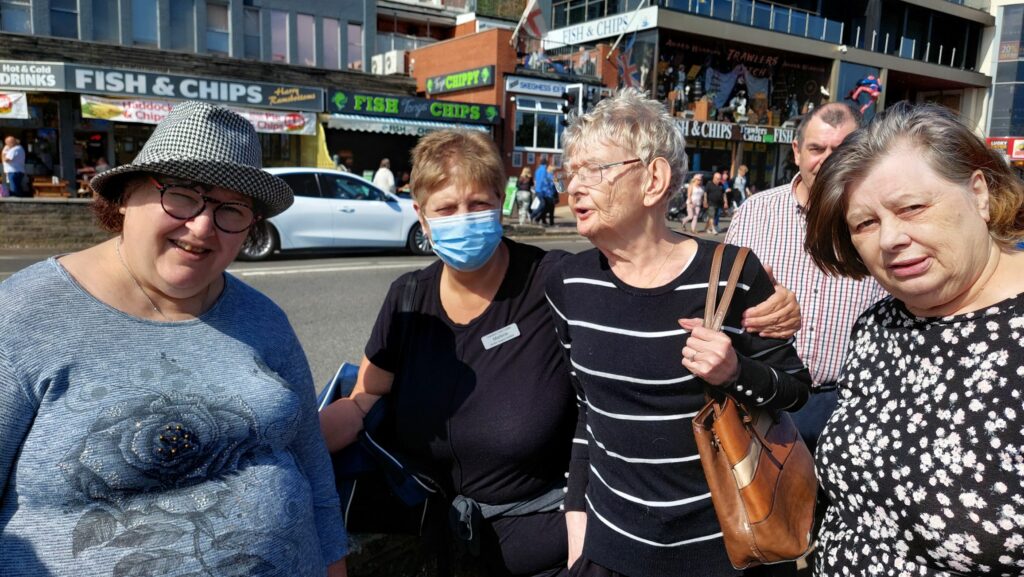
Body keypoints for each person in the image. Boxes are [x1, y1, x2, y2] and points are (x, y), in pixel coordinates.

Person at [319, 128, 802, 577]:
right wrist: (298, 441)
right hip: (441, 541)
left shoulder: (556, 279)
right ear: (421, 215)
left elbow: (649, 284)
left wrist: (770, 303)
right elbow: (365, 398)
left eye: (479, 203)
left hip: (550, 544)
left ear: (501, 203)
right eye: (446, 209)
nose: (463, 218)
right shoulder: (408, 299)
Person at [0, 101, 348, 577]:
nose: (202, 227)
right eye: (182, 195)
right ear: (126, 196)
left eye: (231, 209)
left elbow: (312, 466)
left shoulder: (265, 319)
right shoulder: (23, 314)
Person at [549, 88, 811, 577]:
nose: (575, 187)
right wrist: (576, 518)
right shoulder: (568, 282)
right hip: (610, 548)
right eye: (571, 173)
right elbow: (588, 409)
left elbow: (795, 390)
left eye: (594, 170)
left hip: (721, 550)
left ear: (654, 179)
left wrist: (734, 371)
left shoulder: (731, 273)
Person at [804, 101, 1024, 575]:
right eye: (865, 223)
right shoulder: (877, 326)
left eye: (912, 208)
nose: (890, 239)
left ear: (980, 194)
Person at [725, 102, 886, 454]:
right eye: (817, 149)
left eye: (841, 150)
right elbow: (721, 302)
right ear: (797, 152)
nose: (828, 160)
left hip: (847, 404)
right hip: (764, 398)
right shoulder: (754, 212)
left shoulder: (882, 219)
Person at [531, 159, 557, 226]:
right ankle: (535, 216)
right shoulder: (546, 173)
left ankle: (541, 220)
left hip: (541, 191)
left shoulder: (537, 170)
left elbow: (537, 180)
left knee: (545, 207)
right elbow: (547, 183)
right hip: (546, 193)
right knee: (545, 207)